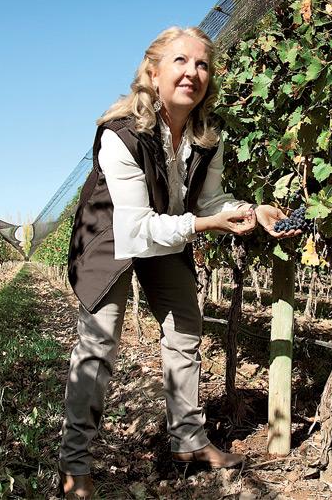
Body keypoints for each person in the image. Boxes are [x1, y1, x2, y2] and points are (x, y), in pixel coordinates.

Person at [59, 26, 300, 499]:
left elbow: (210, 201)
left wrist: (252, 211)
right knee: (100, 344)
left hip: (169, 229)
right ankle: (75, 464)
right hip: (113, 237)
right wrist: (206, 225)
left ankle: (189, 441)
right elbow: (137, 227)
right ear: (153, 73)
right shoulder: (120, 134)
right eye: (180, 61)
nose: (193, 72)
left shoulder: (207, 137)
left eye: (202, 64)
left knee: (186, 327)